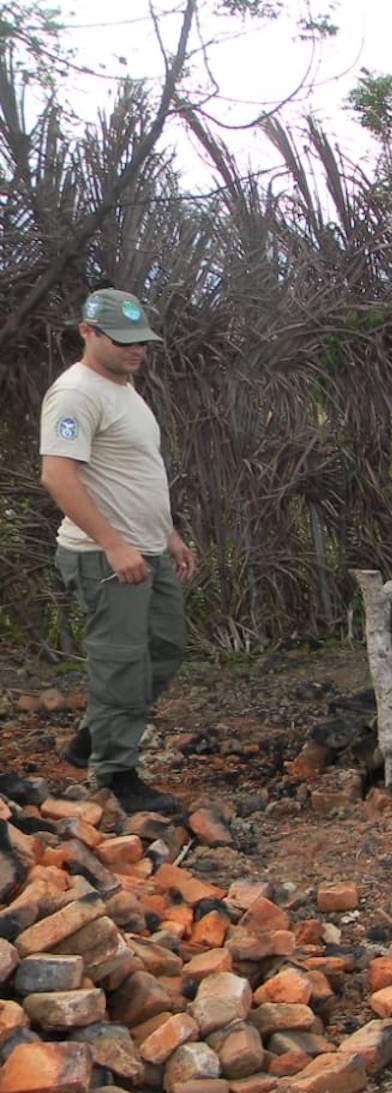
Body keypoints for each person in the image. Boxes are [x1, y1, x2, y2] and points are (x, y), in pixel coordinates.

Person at [37, 287, 196, 815]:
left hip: (148, 548)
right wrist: (112, 544)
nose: (136, 350)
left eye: (142, 341)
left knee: (166, 648)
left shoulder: (124, 389)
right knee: (121, 664)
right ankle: (116, 775)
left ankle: (95, 732)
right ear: (87, 332)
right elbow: (57, 475)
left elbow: (135, 472)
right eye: (123, 341)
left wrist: (168, 533)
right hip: (105, 557)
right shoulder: (75, 393)